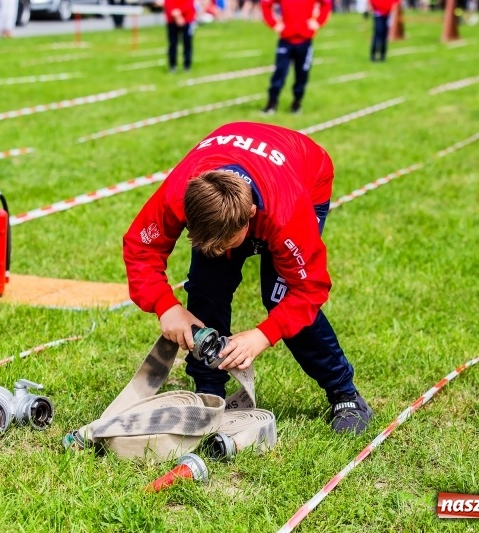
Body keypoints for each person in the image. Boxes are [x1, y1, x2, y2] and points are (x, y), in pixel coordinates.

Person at [122, 121, 374, 434]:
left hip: (306, 173)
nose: (220, 251)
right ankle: (209, 390)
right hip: (238, 158)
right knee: (207, 284)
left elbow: (309, 288)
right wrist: (166, 306)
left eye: (228, 242)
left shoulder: (286, 214)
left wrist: (263, 335)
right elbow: (140, 248)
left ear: (251, 215)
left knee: (280, 297)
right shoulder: (178, 194)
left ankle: (344, 394)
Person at [260, 0, 332, 114]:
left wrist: (318, 22)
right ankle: (272, 104)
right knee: (280, 72)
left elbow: (326, 3)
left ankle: (297, 103)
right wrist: (274, 23)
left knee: (302, 74)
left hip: (305, 40)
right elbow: (266, 3)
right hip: (286, 39)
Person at [164, 0, 196, 72]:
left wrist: (180, 12)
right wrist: (175, 14)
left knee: (187, 43)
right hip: (172, 19)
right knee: (172, 44)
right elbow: (168, 3)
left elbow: (189, 3)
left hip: (187, 18)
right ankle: (172, 66)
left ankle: (187, 66)